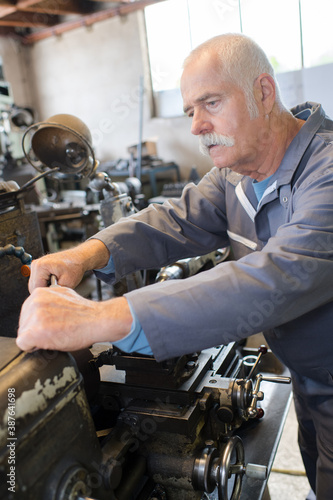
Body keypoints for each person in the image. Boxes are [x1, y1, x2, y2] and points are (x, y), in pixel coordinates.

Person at [16, 33, 333, 499]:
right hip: (309, 377)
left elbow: (273, 279)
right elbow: (175, 218)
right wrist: (84, 254)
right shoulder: (236, 175)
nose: (197, 126)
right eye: (189, 111)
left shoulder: (325, 173)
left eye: (211, 103)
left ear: (264, 93)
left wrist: (101, 317)